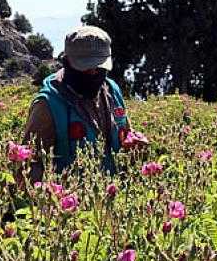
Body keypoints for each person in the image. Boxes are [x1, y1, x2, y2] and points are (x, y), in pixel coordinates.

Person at [22, 26, 142, 182]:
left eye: (98, 67)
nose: (93, 73)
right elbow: (28, 165)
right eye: (85, 68)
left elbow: (125, 133)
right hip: (71, 200)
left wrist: (135, 145)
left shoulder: (112, 91)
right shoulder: (47, 106)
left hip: (114, 196)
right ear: (67, 63)